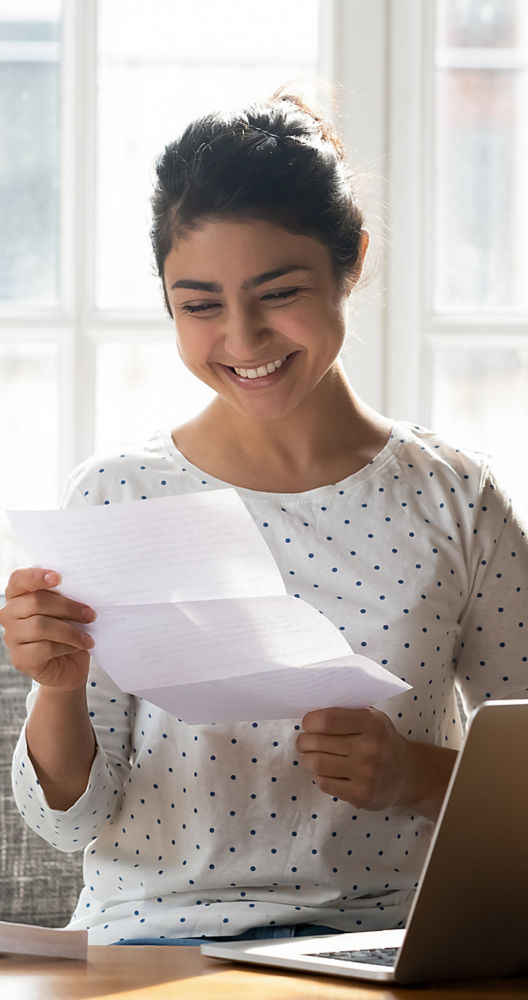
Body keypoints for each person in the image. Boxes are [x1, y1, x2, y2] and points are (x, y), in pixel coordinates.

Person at [1, 87, 527, 946]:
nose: (243, 339)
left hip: (388, 943)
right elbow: (69, 824)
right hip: (154, 943)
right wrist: (57, 693)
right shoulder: (117, 495)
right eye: (199, 304)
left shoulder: (457, 500)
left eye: (278, 292)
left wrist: (419, 775)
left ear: (350, 261)